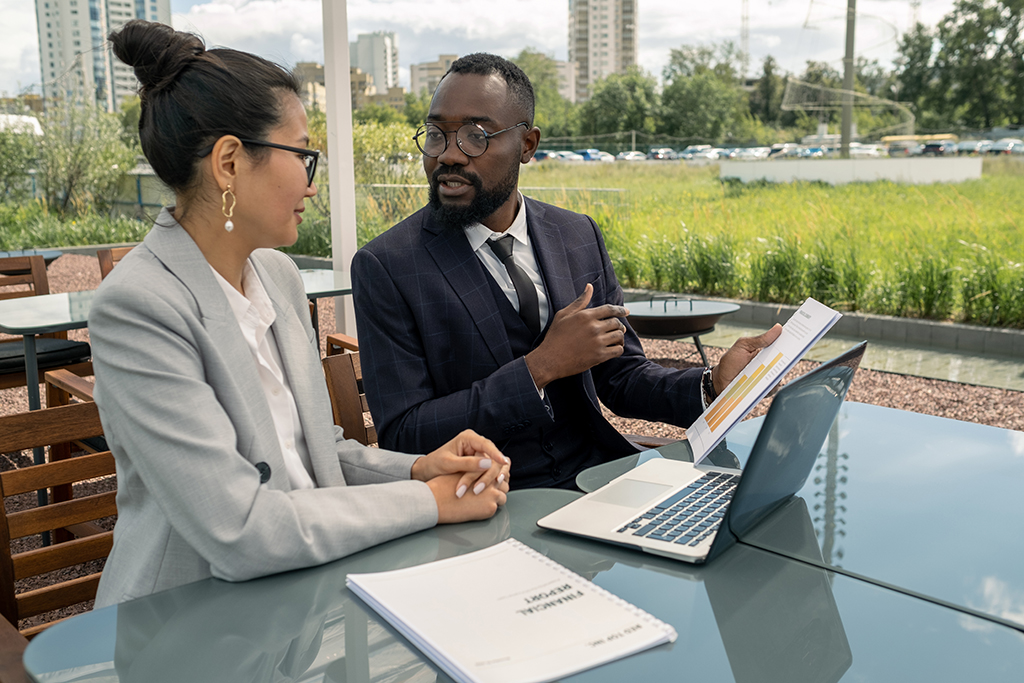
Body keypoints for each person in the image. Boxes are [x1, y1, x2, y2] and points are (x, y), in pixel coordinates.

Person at [89, 21, 509, 608]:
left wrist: (418, 469)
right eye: (304, 155)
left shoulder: (279, 279)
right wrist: (432, 501)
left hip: (304, 599)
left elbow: (314, 455)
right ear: (230, 162)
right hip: (185, 623)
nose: (313, 184)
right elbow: (240, 529)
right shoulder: (138, 309)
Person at [351, 53, 781, 490]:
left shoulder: (577, 235)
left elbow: (620, 377)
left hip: (599, 481)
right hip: (485, 506)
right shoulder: (387, 266)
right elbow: (404, 436)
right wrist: (539, 367)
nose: (449, 155)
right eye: (437, 134)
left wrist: (711, 385)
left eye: (475, 136)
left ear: (528, 145)